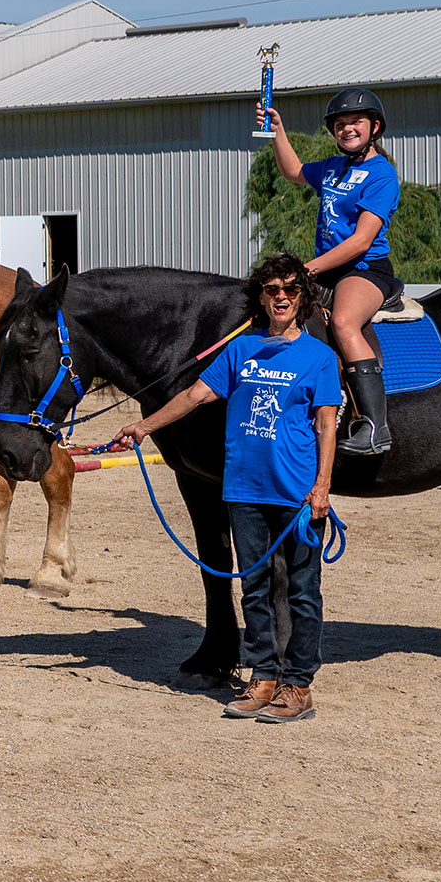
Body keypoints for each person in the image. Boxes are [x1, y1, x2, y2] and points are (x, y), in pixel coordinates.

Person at [114, 254, 341, 723]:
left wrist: (321, 488)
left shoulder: (320, 357)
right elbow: (196, 395)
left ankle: (298, 686)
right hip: (243, 489)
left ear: (303, 299)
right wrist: (143, 425)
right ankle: (264, 678)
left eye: (291, 291)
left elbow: (325, 425)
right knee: (253, 587)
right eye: (273, 290)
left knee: (302, 590)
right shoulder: (240, 350)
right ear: (261, 296)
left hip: (296, 493)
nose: (282, 297)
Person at [261, 88, 403, 455]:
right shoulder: (332, 168)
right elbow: (292, 170)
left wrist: (307, 269)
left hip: (364, 269)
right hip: (325, 269)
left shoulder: (381, 175)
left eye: (355, 122)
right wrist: (277, 129)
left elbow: (360, 241)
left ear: (374, 127)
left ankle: (373, 427)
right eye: (340, 124)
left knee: (342, 322)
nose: (347, 129)